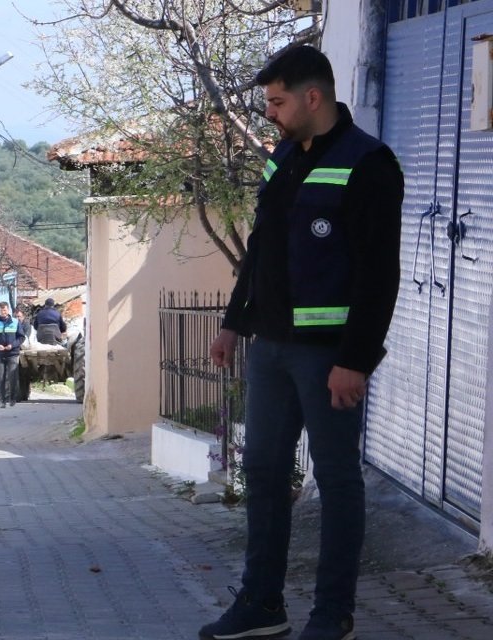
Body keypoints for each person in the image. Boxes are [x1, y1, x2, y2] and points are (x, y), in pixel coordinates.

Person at [201, 46, 402, 640]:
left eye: (277, 101)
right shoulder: (284, 155)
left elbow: (378, 276)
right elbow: (261, 246)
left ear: (313, 97)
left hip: (328, 357)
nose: (270, 113)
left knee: (337, 479)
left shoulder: (370, 163)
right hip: (270, 348)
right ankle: (261, 606)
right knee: (262, 471)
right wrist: (235, 321)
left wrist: (356, 361)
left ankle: (332, 612)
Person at [0, 301, 24, 409]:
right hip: (0, 354)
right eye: (1, 310)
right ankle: (2, 401)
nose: (3, 312)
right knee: (1, 378)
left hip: (12, 354)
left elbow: (21, 337)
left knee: (12, 377)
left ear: (8, 310)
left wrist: (12, 345)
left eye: (4, 310)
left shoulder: (15, 322)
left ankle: (12, 398)